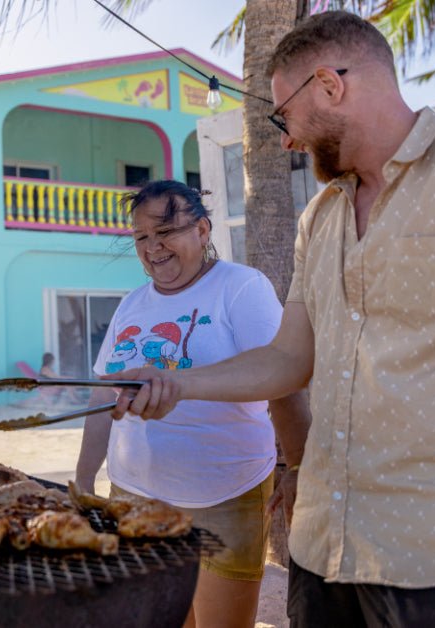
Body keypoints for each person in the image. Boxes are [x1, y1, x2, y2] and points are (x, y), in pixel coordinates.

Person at [104, 12, 435, 628]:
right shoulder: (320, 217)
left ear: (331, 86)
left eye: (284, 116)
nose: (284, 139)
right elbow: (287, 360)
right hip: (321, 553)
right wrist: (177, 383)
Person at [75, 180, 311, 628]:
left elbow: (282, 378)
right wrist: (86, 477)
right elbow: (102, 392)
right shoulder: (131, 305)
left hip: (224, 494)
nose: (152, 248)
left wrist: (299, 464)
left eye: (165, 232)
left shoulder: (240, 287)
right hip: (135, 497)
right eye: (141, 237)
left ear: (202, 230)